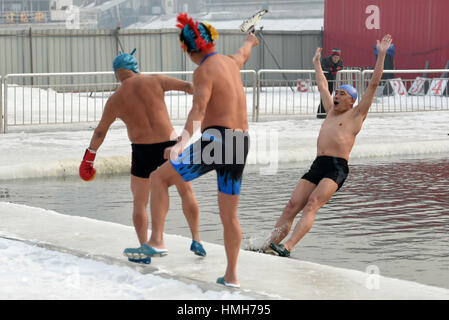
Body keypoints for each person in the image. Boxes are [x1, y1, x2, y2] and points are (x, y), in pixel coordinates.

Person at [123, 13, 258, 288]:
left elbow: (199, 109)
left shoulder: (203, 71)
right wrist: (251, 41)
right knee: (229, 216)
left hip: (217, 141)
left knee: (160, 178)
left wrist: (180, 144)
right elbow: (244, 52)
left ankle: (158, 239)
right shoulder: (232, 63)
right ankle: (231, 275)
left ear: (191, 50)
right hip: (240, 142)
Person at [263, 34, 393, 257]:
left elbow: (373, 83)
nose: (336, 96)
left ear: (352, 100)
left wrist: (381, 55)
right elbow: (323, 84)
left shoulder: (356, 115)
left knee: (312, 203)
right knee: (292, 205)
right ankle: (267, 245)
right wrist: (316, 63)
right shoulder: (330, 110)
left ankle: (287, 246)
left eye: (342, 94)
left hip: (337, 167)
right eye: (337, 92)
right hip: (318, 164)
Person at [79, 49, 206, 264]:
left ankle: (144, 247)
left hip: (141, 152)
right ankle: (196, 239)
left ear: (117, 74)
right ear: (135, 68)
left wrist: (89, 158)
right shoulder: (155, 80)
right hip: (169, 146)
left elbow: (100, 131)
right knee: (186, 191)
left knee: (140, 202)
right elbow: (188, 87)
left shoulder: (114, 100)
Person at [317, 48, 344, 118]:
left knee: (329, 95)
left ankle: (327, 112)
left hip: (332, 80)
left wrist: (335, 70)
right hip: (324, 80)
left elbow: (341, 67)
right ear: (332, 57)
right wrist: (331, 70)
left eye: (337, 58)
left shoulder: (340, 61)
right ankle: (320, 113)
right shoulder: (325, 60)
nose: (336, 59)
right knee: (324, 96)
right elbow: (322, 67)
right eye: (334, 57)